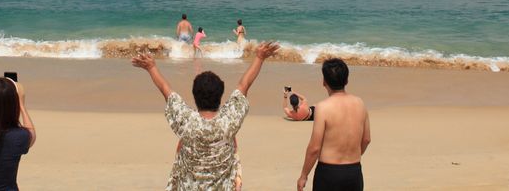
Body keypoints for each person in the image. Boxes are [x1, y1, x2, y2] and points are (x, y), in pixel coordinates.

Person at [132, 41, 280, 191]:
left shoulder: (186, 120)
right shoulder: (229, 120)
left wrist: (151, 67)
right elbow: (244, 85)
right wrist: (259, 57)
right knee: (233, 147)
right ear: (220, 96)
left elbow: (166, 90)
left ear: (195, 96)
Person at [296, 58, 370, 191]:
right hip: (354, 171)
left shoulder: (323, 108)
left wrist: (304, 175)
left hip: (329, 173)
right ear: (346, 80)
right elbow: (366, 139)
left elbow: (314, 148)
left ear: (324, 82)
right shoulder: (360, 103)